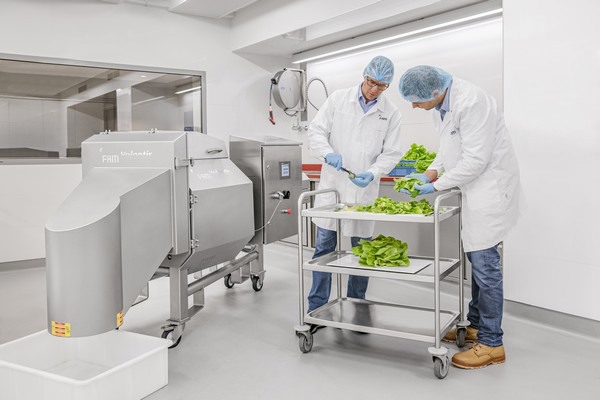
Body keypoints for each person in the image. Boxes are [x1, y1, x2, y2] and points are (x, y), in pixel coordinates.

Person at [397, 65, 521, 369]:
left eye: (417, 101)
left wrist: (435, 186)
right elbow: (448, 148)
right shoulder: (442, 105)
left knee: (486, 266)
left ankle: (492, 344)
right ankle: (476, 325)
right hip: (472, 191)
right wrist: (430, 172)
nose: (414, 106)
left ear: (435, 91)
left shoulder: (472, 102)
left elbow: (476, 161)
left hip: (489, 191)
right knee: (476, 261)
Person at [306, 56, 403, 330]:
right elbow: (316, 131)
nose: (374, 89)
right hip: (333, 190)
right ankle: (316, 309)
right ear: (364, 76)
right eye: (372, 82)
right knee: (324, 251)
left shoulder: (391, 112)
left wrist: (372, 173)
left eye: (381, 86)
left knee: (364, 254)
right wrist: (327, 153)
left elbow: (392, 152)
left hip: (364, 193)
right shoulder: (338, 99)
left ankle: (357, 308)